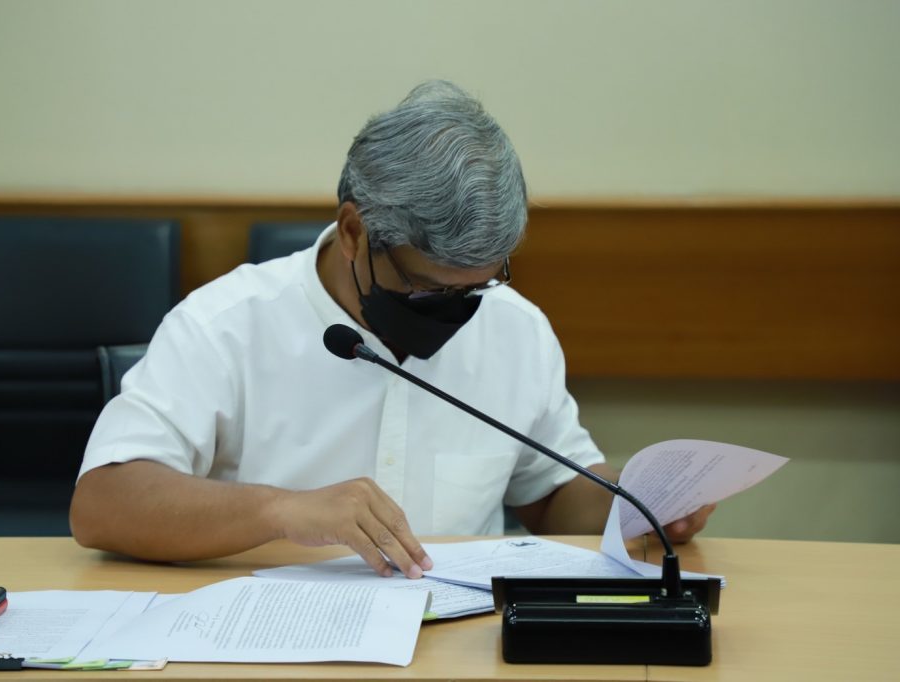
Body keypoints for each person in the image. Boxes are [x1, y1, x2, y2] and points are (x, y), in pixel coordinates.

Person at [70, 80, 713, 579]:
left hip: (462, 646)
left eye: (475, 288)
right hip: (271, 641)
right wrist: (280, 510)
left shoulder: (517, 329)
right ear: (355, 232)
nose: (454, 308)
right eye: (428, 287)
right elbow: (103, 504)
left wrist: (637, 505)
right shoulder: (226, 325)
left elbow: (550, 499)